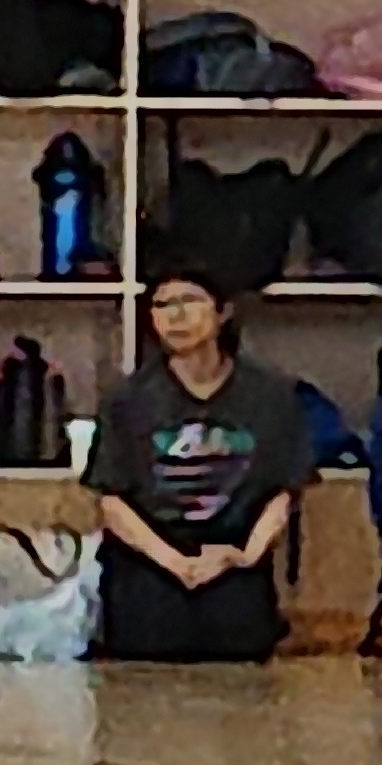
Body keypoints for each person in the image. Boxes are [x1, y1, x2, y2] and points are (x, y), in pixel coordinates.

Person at [85, 267, 311, 663]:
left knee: (239, 637)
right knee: (150, 638)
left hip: (233, 555)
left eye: (190, 301)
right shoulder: (127, 400)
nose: (177, 316)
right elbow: (113, 502)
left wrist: (244, 555)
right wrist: (176, 563)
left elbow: (283, 492)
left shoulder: (271, 395)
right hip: (152, 558)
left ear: (222, 312)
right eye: (162, 305)